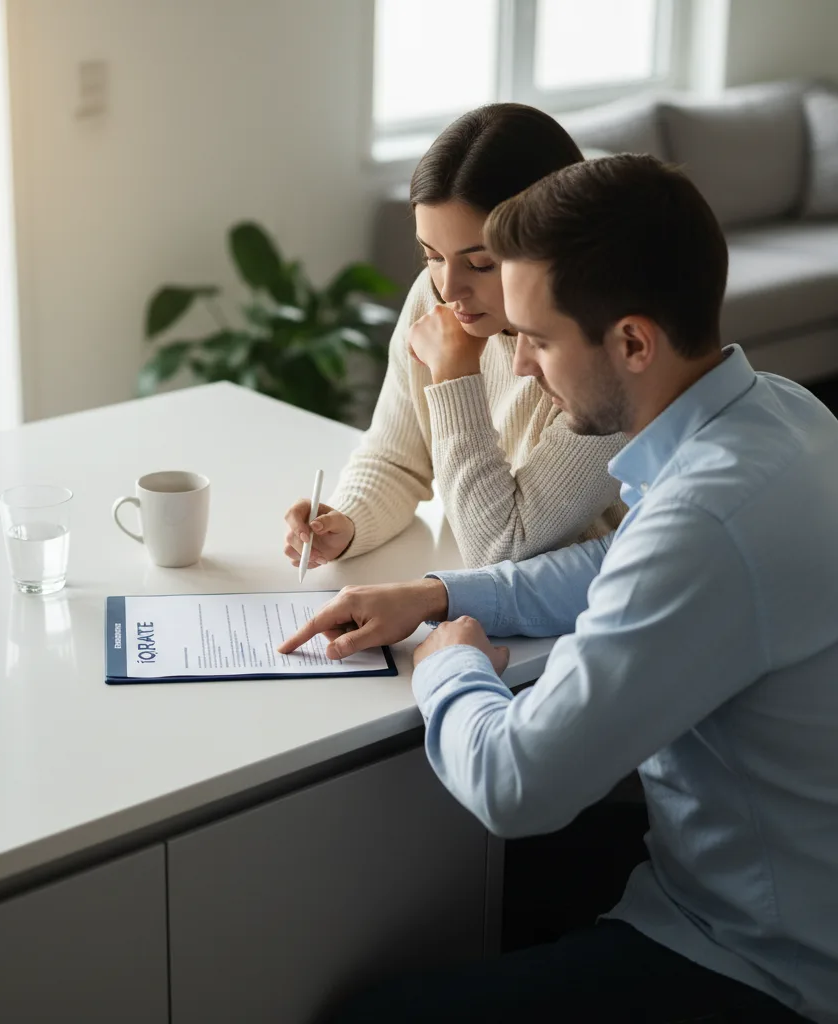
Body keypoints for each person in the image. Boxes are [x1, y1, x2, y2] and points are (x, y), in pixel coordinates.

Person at [283, 155, 838, 1023]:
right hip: (766, 871)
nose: (526, 368)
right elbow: (621, 564)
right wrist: (439, 592)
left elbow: (516, 783)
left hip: (757, 955)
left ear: (631, 342)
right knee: (473, 896)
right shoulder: (784, 413)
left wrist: (447, 662)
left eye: (536, 340)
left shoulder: (706, 521)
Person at [282, 104, 626, 573]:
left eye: (480, 263)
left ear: (555, 242)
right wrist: (345, 524)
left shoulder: (603, 354)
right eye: (432, 256)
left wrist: (455, 374)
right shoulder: (436, 299)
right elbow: (397, 459)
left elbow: (501, 546)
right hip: (483, 600)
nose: (449, 289)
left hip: (580, 611)